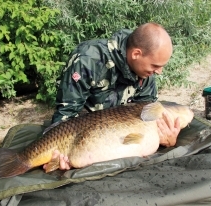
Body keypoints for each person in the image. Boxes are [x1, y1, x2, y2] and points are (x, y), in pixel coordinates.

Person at [47, 22, 181, 171]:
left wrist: (166, 137)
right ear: (136, 54)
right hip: (84, 135)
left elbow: (145, 117)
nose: (159, 72)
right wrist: (59, 155)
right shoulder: (88, 59)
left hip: (115, 138)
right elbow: (66, 116)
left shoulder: (146, 73)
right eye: (155, 66)